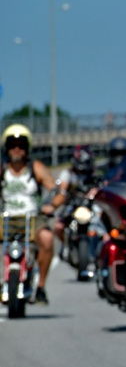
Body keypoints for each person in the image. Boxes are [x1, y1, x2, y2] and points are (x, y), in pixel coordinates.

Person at [1, 124, 68, 305]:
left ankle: (41, 287)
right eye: (12, 144)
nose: (16, 149)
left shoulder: (35, 167)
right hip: (6, 218)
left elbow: (58, 192)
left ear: (27, 147)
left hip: (32, 217)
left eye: (21, 145)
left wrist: (52, 205)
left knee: (47, 238)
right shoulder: (2, 169)